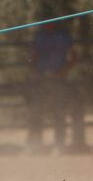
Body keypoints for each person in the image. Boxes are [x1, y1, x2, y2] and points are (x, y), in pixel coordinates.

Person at [27, 21, 82, 151]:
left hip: (58, 78)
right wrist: (36, 73)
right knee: (36, 110)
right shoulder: (40, 37)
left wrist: (64, 71)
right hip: (42, 78)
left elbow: (74, 56)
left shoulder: (63, 36)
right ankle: (35, 144)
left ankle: (59, 144)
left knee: (59, 110)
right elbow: (32, 57)